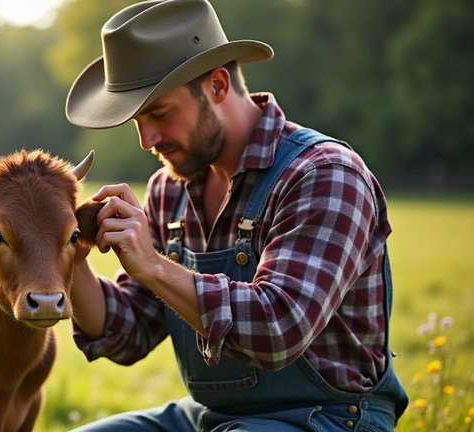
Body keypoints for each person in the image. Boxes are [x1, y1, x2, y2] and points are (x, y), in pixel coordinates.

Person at [64, 0, 409, 430]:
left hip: (329, 419)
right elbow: (130, 332)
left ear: (218, 85)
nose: (146, 139)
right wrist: (70, 252)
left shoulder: (324, 174)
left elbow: (279, 328)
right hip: (213, 418)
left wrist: (153, 265)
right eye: (136, 120)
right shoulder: (168, 190)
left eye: (159, 113)